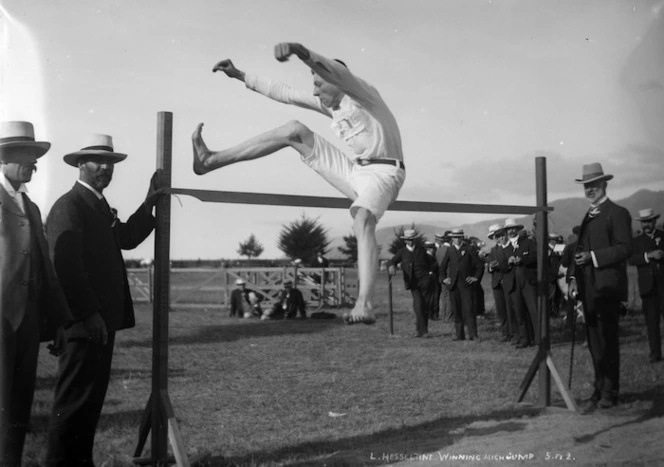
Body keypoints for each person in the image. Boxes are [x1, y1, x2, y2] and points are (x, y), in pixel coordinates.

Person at [192, 42, 405, 326]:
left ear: (334, 80)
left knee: (363, 217)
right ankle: (210, 161)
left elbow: (326, 67)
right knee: (294, 130)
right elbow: (285, 93)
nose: (315, 91)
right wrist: (240, 74)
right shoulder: (334, 106)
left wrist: (298, 49)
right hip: (357, 172)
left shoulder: (363, 95)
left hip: (385, 172)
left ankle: (364, 303)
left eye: (318, 84)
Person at [44, 134, 159, 465]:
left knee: (89, 404)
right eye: (98, 162)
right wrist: (89, 314)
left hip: (97, 324)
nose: (106, 169)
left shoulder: (96, 205)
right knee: (73, 405)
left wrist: (149, 202)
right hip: (83, 324)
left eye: (110, 163)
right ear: (81, 165)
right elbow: (65, 266)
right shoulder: (70, 205)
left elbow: (125, 238)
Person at [0, 121, 72, 466]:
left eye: (36, 156)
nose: (35, 164)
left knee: (18, 410)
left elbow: (46, 269)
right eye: (28, 155)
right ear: (4, 157)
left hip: (27, 324)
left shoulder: (31, 207)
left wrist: (57, 320)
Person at [567, 163, 632, 410]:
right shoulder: (589, 215)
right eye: (586, 186)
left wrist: (594, 257)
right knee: (594, 341)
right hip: (589, 288)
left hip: (607, 288)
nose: (589, 190)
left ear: (604, 184)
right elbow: (578, 251)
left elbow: (626, 248)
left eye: (593, 185)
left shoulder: (617, 212)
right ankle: (599, 386)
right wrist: (573, 279)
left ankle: (610, 391)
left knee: (607, 340)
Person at [629, 208, 664, 363]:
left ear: (655, 221)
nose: (646, 225)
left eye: (649, 221)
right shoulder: (636, 241)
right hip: (648, 287)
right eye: (644, 222)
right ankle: (655, 354)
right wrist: (648, 256)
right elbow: (631, 259)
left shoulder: (663, 236)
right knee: (652, 322)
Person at [388, 230, 436, 338]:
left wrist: (430, 273)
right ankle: (424, 332)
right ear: (405, 240)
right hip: (413, 284)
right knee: (418, 305)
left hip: (425, 282)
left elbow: (433, 263)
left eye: (411, 240)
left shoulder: (422, 251)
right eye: (407, 240)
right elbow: (392, 261)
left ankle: (420, 330)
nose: (410, 242)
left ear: (414, 240)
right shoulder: (402, 252)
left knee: (423, 306)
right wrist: (391, 267)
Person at [440, 229, 483, 341]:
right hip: (453, 285)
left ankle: (473, 334)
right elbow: (442, 267)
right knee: (456, 310)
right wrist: (444, 279)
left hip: (466, 285)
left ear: (462, 238)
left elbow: (479, 265)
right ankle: (460, 335)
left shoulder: (469, 249)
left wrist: (475, 278)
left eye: (459, 237)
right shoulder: (450, 250)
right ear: (452, 239)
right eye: (455, 237)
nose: (457, 239)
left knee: (469, 309)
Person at [504, 217, 538, 348]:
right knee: (519, 312)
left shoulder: (527, 242)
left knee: (533, 310)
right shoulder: (505, 247)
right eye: (508, 229)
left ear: (517, 229)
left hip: (528, 281)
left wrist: (522, 259)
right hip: (513, 283)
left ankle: (538, 338)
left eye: (513, 228)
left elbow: (535, 256)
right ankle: (525, 338)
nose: (511, 231)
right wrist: (508, 262)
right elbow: (501, 265)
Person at [486, 224, 512, 342]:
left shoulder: (509, 247)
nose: (496, 238)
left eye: (498, 235)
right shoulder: (493, 250)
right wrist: (491, 267)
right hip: (497, 283)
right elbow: (489, 267)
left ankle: (513, 332)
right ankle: (505, 333)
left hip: (507, 281)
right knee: (501, 309)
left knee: (510, 308)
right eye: (494, 236)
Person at [434, 231, 453, 322]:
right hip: (450, 275)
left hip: (441, 275)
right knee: (449, 296)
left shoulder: (439, 250)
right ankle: (449, 317)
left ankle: (444, 316)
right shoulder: (450, 250)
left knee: (444, 296)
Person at [424, 241, 441, 321]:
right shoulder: (429, 257)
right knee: (434, 297)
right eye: (432, 248)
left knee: (432, 297)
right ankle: (433, 314)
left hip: (432, 279)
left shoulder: (428, 256)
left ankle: (431, 314)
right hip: (433, 279)